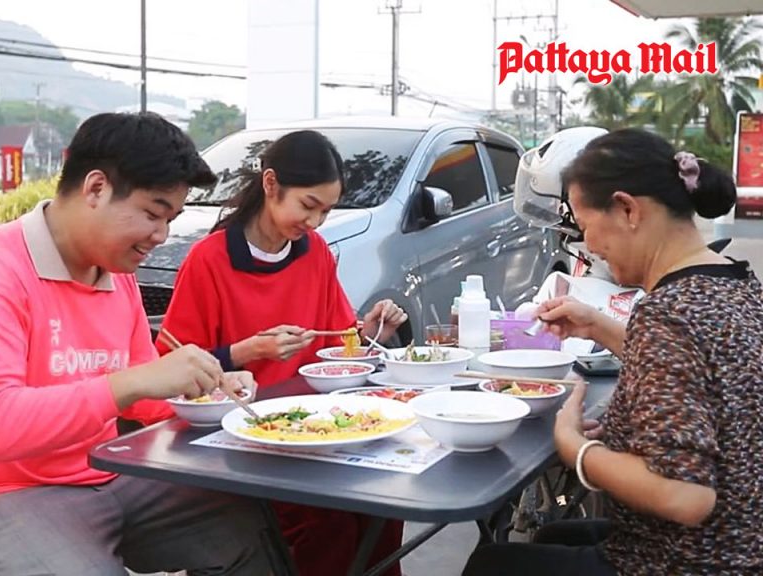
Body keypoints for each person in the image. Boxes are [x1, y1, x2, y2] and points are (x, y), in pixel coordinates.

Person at [463, 128, 763, 576]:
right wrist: (596, 326)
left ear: (627, 209)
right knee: (553, 535)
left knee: (491, 564)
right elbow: (700, 364)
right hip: (742, 542)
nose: (589, 246)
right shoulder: (738, 283)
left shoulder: (667, 313)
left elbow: (686, 496)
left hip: (691, 560)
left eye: (586, 227)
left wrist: (576, 448)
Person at [0, 112, 271, 575]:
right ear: (96, 188)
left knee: (245, 524)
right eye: (152, 213)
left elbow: (144, 396)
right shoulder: (5, 270)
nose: (161, 236)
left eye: (170, 219)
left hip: (111, 471)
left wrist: (207, 390)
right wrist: (132, 383)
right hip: (15, 492)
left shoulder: (115, 273)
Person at [158, 129, 408, 576]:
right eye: (308, 206)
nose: (315, 222)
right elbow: (172, 363)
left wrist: (370, 332)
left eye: (326, 211)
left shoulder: (314, 252)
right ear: (270, 184)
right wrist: (248, 350)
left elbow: (336, 342)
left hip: (314, 429)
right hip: (245, 437)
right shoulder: (209, 259)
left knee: (384, 505)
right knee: (327, 521)